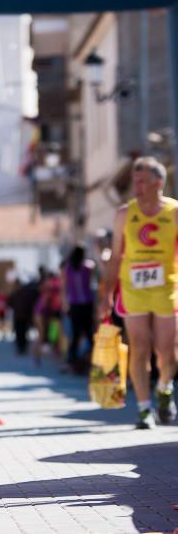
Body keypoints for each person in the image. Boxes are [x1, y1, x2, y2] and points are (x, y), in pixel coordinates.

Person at [100, 156, 178, 429]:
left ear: (158, 183)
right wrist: (107, 295)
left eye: (142, 181)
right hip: (133, 288)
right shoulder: (124, 214)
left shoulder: (174, 212)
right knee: (140, 348)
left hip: (166, 288)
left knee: (168, 353)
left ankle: (165, 389)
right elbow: (116, 256)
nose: (137, 186)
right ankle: (144, 409)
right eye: (135, 181)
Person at [62, 245, 96, 373]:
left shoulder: (68, 269)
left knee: (75, 335)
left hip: (74, 305)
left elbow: (64, 287)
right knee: (89, 333)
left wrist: (64, 304)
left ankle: (72, 361)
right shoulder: (88, 267)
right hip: (87, 304)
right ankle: (93, 361)